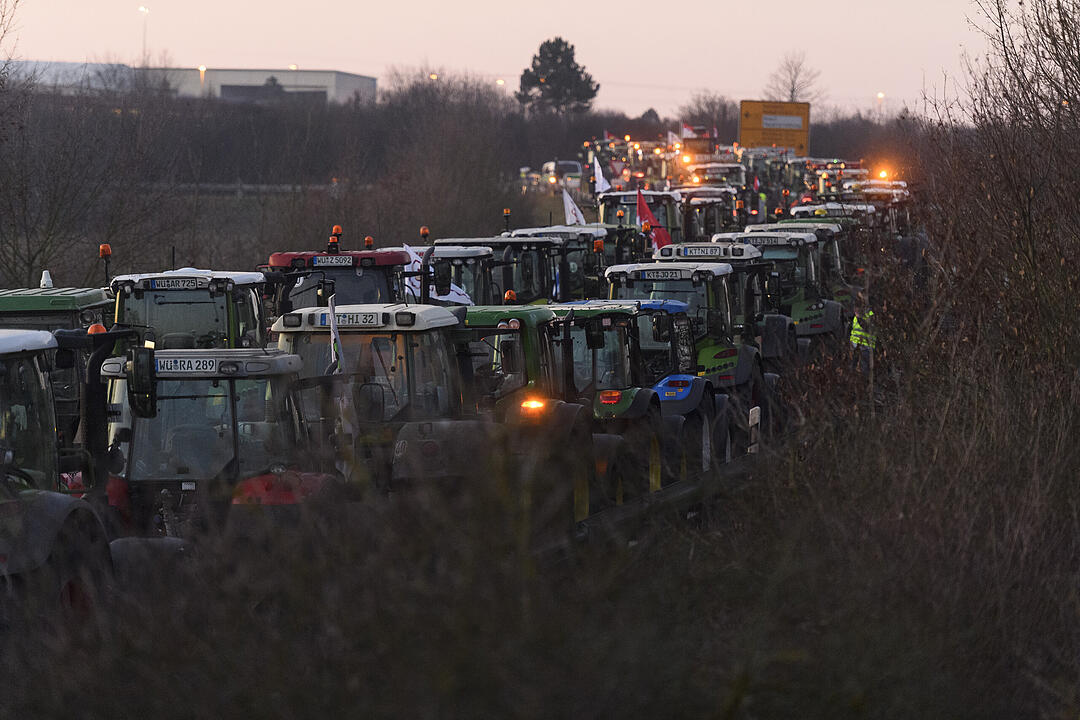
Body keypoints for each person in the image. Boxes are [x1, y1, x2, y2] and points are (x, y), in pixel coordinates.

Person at [849, 296, 876, 374]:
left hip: (866, 347)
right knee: (852, 368)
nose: (855, 310)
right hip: (855, 347)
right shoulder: (856, 317)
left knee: (864, 369)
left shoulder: (870, 314)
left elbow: (867, 328)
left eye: (856, 307)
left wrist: (859, 318)